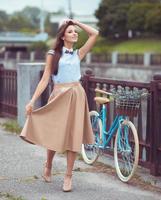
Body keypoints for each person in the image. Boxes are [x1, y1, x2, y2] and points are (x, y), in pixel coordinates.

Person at [20, 19, 99, 192]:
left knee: (74, 136)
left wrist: (76, 22)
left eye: (75, 31)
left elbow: (94, 33)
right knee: (55, 134)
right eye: (70, 31)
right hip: (58, 95)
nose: (75, 33)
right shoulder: (52, 54)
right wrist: (32, 101)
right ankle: (48, 164)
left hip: (77, 95)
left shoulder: (79, 53)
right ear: (63, 36)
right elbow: (45, 78)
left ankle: (68, 176)